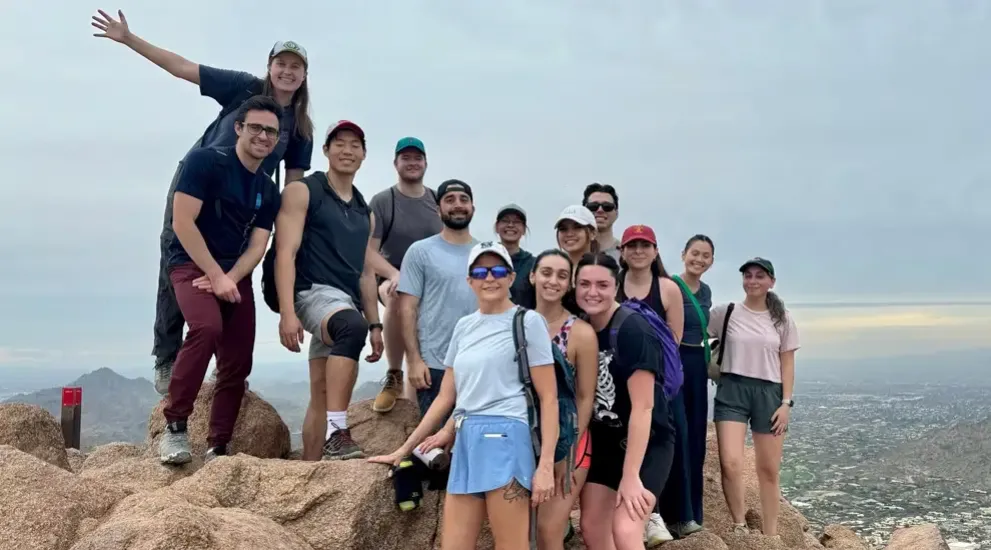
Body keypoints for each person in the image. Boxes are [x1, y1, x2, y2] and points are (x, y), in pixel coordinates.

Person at [91, 9, 315, 396]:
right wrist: (129, 39)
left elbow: (293, 185)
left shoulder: (300, 128)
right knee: (176, 259)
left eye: (296, 66)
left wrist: (287, 231)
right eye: (281, 63)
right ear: (270, 66)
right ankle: (166, 355)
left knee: (231, 275)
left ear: (304, 75)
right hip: (196, 184)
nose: (287, 72)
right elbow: (182, 67)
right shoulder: (245, 88)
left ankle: (225, 365)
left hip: (244, 204)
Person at [369, 241, 558, 549]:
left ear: (511, 277)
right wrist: (405, 449)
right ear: (469, 280)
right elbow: (447, 397)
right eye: (480, 271)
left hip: (506, 439)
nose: (489, 278)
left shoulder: (528, 322)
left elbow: (548, 398)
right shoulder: (464, 327)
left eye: (498, 270)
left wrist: (546, 465)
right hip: (466, 439)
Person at [157, 96, 284, 465]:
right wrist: (213, 275)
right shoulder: (206, 162)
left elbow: (258, 244)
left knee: (238, 359)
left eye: (271, 131)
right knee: (206, 327)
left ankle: (218, 446)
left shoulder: (267, 188)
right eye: (256, 127)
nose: (263, 136)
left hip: (232, 273)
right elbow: (182, 222)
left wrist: (228, 278)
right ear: (239, 128)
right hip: (189, 263)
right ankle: (176, 428)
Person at [273, 120, 384, 461]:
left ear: (364, 155)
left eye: (355, 145)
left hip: (343, 301)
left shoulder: (366, 213)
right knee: (351, 328)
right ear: (325, 150)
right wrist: (288, 314)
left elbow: (366, 274)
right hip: (309, 293)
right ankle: (338, 432)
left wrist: (376, 323)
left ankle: (309, 468)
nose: (347, 150)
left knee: (321, 392)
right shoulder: (303, 191)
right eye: (339, 143)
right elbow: (285, 253)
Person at [574, 253, 676, 550]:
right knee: (592, 526)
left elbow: (644, 408)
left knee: (627, 527)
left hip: (648, 442)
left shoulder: (633, 329)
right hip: (605, 441)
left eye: (602, 285)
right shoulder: (582, 327)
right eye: (585, 284)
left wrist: (631, 476)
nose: (593, 292)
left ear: (616, 286)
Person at [710, 257, 799, 539]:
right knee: (730, 462)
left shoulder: (782, 319)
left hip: (769, 393)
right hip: (732, 388)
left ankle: (771, 536)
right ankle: (739, 526)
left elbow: (787, 362)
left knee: (769, 469)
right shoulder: (726, 312)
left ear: (771, 281)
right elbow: (693, 326)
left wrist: (786, 403)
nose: (752, 281)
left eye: (759, 276)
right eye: (748, 275)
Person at [615, 225, 691, 545]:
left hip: (657, 381)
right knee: (624, 445)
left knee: (656, 442)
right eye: (631, 245)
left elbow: (673, 338)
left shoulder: (667, 289)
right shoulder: (612, 285)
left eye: (645, 245)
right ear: (622, 251)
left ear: (656, 251)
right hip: (616, 381)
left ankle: (652, 512)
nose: (638, 251)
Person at [368, 137, 443, 413]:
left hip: (433, 282)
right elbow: (369, 252)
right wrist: (396, 273)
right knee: (399, 297)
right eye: (406, 158)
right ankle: (394, 374)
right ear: (395, 163)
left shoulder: (437, 201)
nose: (412, 163)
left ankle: (415, 413)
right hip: (391, 278)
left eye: (417, 158)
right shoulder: (383, 201)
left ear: (425, 163)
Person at [530, 250, 599, 550]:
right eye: (546, 272)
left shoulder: (580, 334)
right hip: (525, 438)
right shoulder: (516, 323)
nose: (552, 281)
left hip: (569, 441)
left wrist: (566, 453)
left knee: (548, 530)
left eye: (561, 275)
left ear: (570, 284)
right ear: (532, 276)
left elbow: (585, 397)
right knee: (521, 531)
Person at [397, 180, 479, 418]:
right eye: (450, 200)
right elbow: (407, 308)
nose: (458, 205)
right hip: (434, 366)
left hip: (478, 365)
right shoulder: (420, 251)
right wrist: (413, 360)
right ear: (438, 209)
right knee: (434, 449)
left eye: (464, 199)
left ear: (473, 207)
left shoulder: (485, 253)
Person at [671, 234, 715, 530]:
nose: (699, 259)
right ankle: (675, 512)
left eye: (706, 255)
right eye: (694, 253)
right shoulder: (670, 284)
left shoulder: (707, 290)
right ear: (683, 254)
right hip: (675, 361)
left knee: (697, 439)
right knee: (676, 435)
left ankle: (693, 514)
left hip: (698, 363)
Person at [494, 204, 536, 304]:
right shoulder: (486, 260)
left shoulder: (533, 264)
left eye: (517, 222)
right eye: (505, 220)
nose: (511, 225)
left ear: (524, 229)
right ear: (497, 226)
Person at [582, 183, 621, 261]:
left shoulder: (627, 253)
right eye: (593, 206)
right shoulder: (573, 252)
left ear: (616, 213)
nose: (600, 210)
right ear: (583, 211)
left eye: (607, 206)